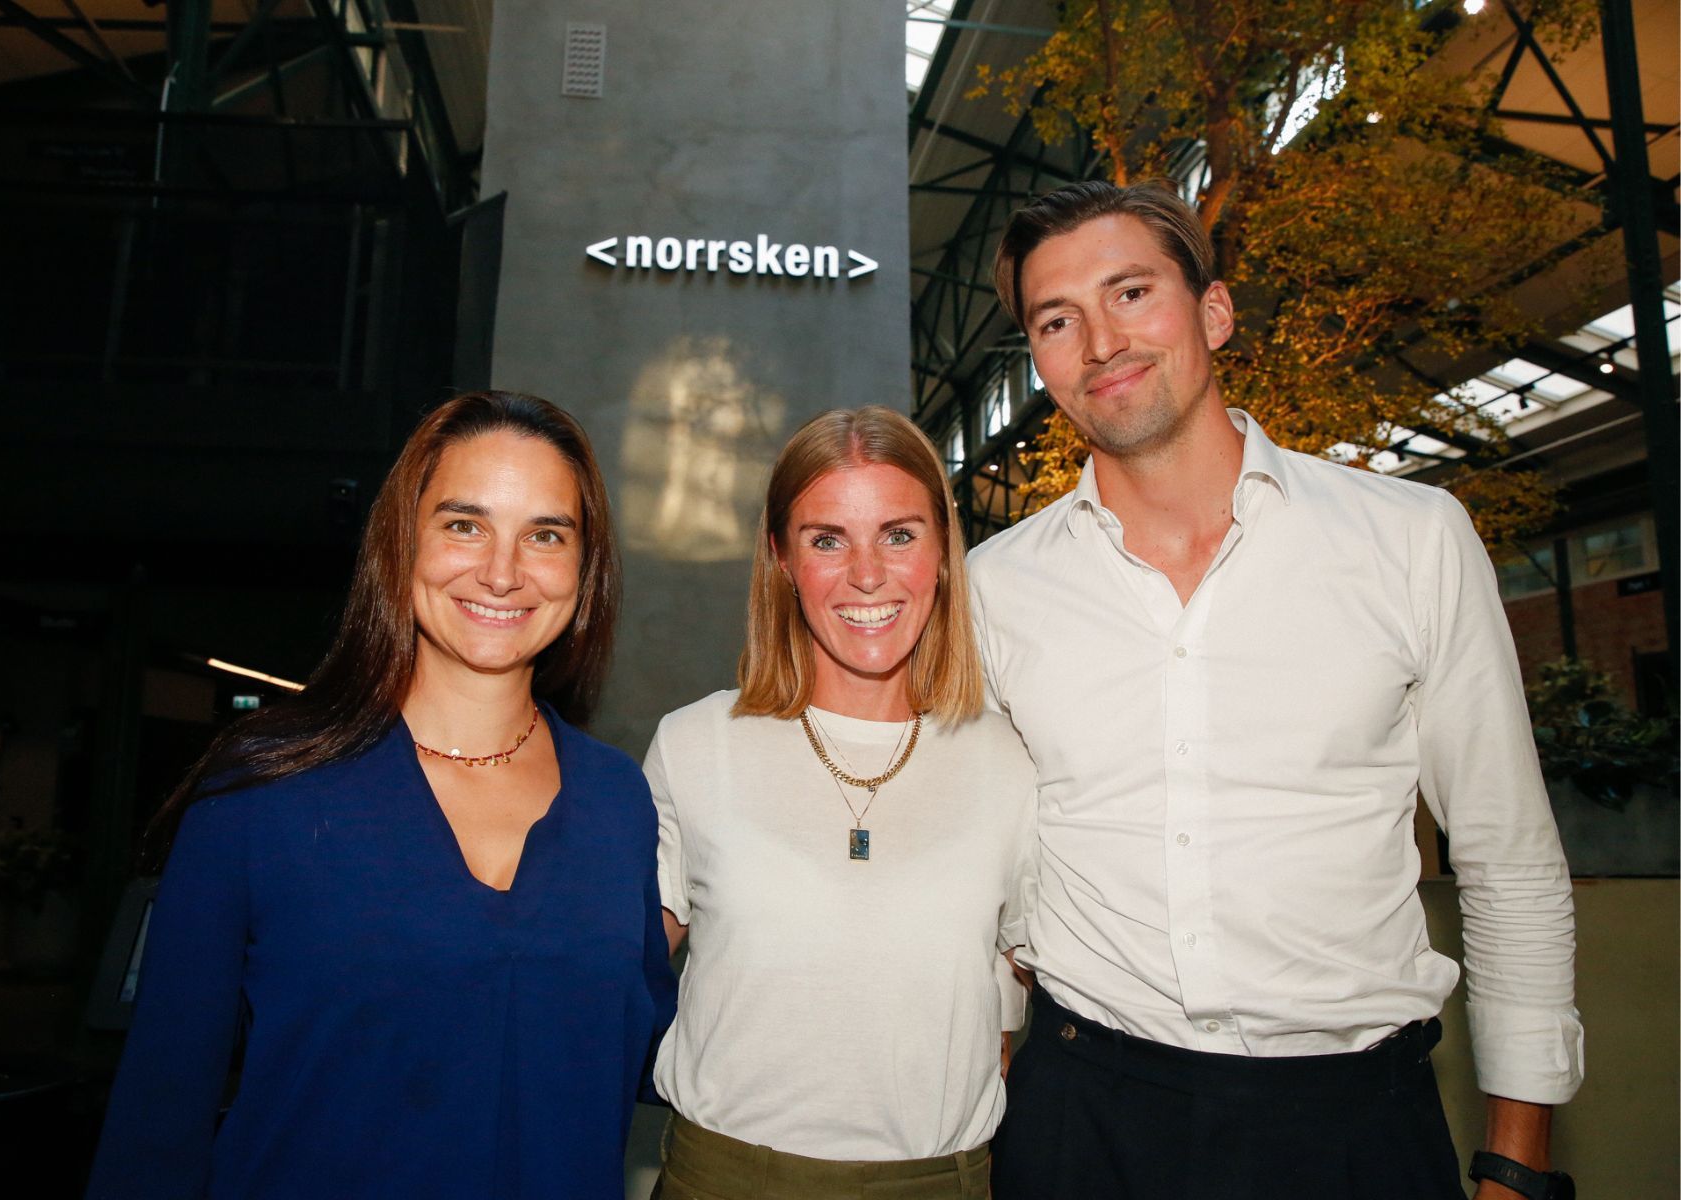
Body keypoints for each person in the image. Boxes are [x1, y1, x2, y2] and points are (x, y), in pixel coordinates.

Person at [969, 180, 1582, 1200]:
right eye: (1056, 319)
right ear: (1039, 360)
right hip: (1081, 1116)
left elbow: (1508, 859)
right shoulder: (998, 589)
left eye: (1131, 293)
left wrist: (1516, 1167)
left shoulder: (1411, 540)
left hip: (1353, 1127)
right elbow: (991, 884)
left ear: (1213, 311)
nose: (1100, 341)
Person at [87, 391, 676, 1200]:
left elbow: (646, 1055)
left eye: (545, 534)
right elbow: (160, 1115)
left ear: (586, 569)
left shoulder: (618, 800)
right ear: (401, 545)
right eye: (463, 524)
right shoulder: (264, 788)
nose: (503, 571)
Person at [645, 406, 1037, 1200]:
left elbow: (1014, 989)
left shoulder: (1010, 760)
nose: (867, 574)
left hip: (940, 1181)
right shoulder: (695, 745)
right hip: (724, 1179)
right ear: (782, 558)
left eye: (899, 534)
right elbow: (608, 978)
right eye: (828, 539)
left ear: (942, 553)